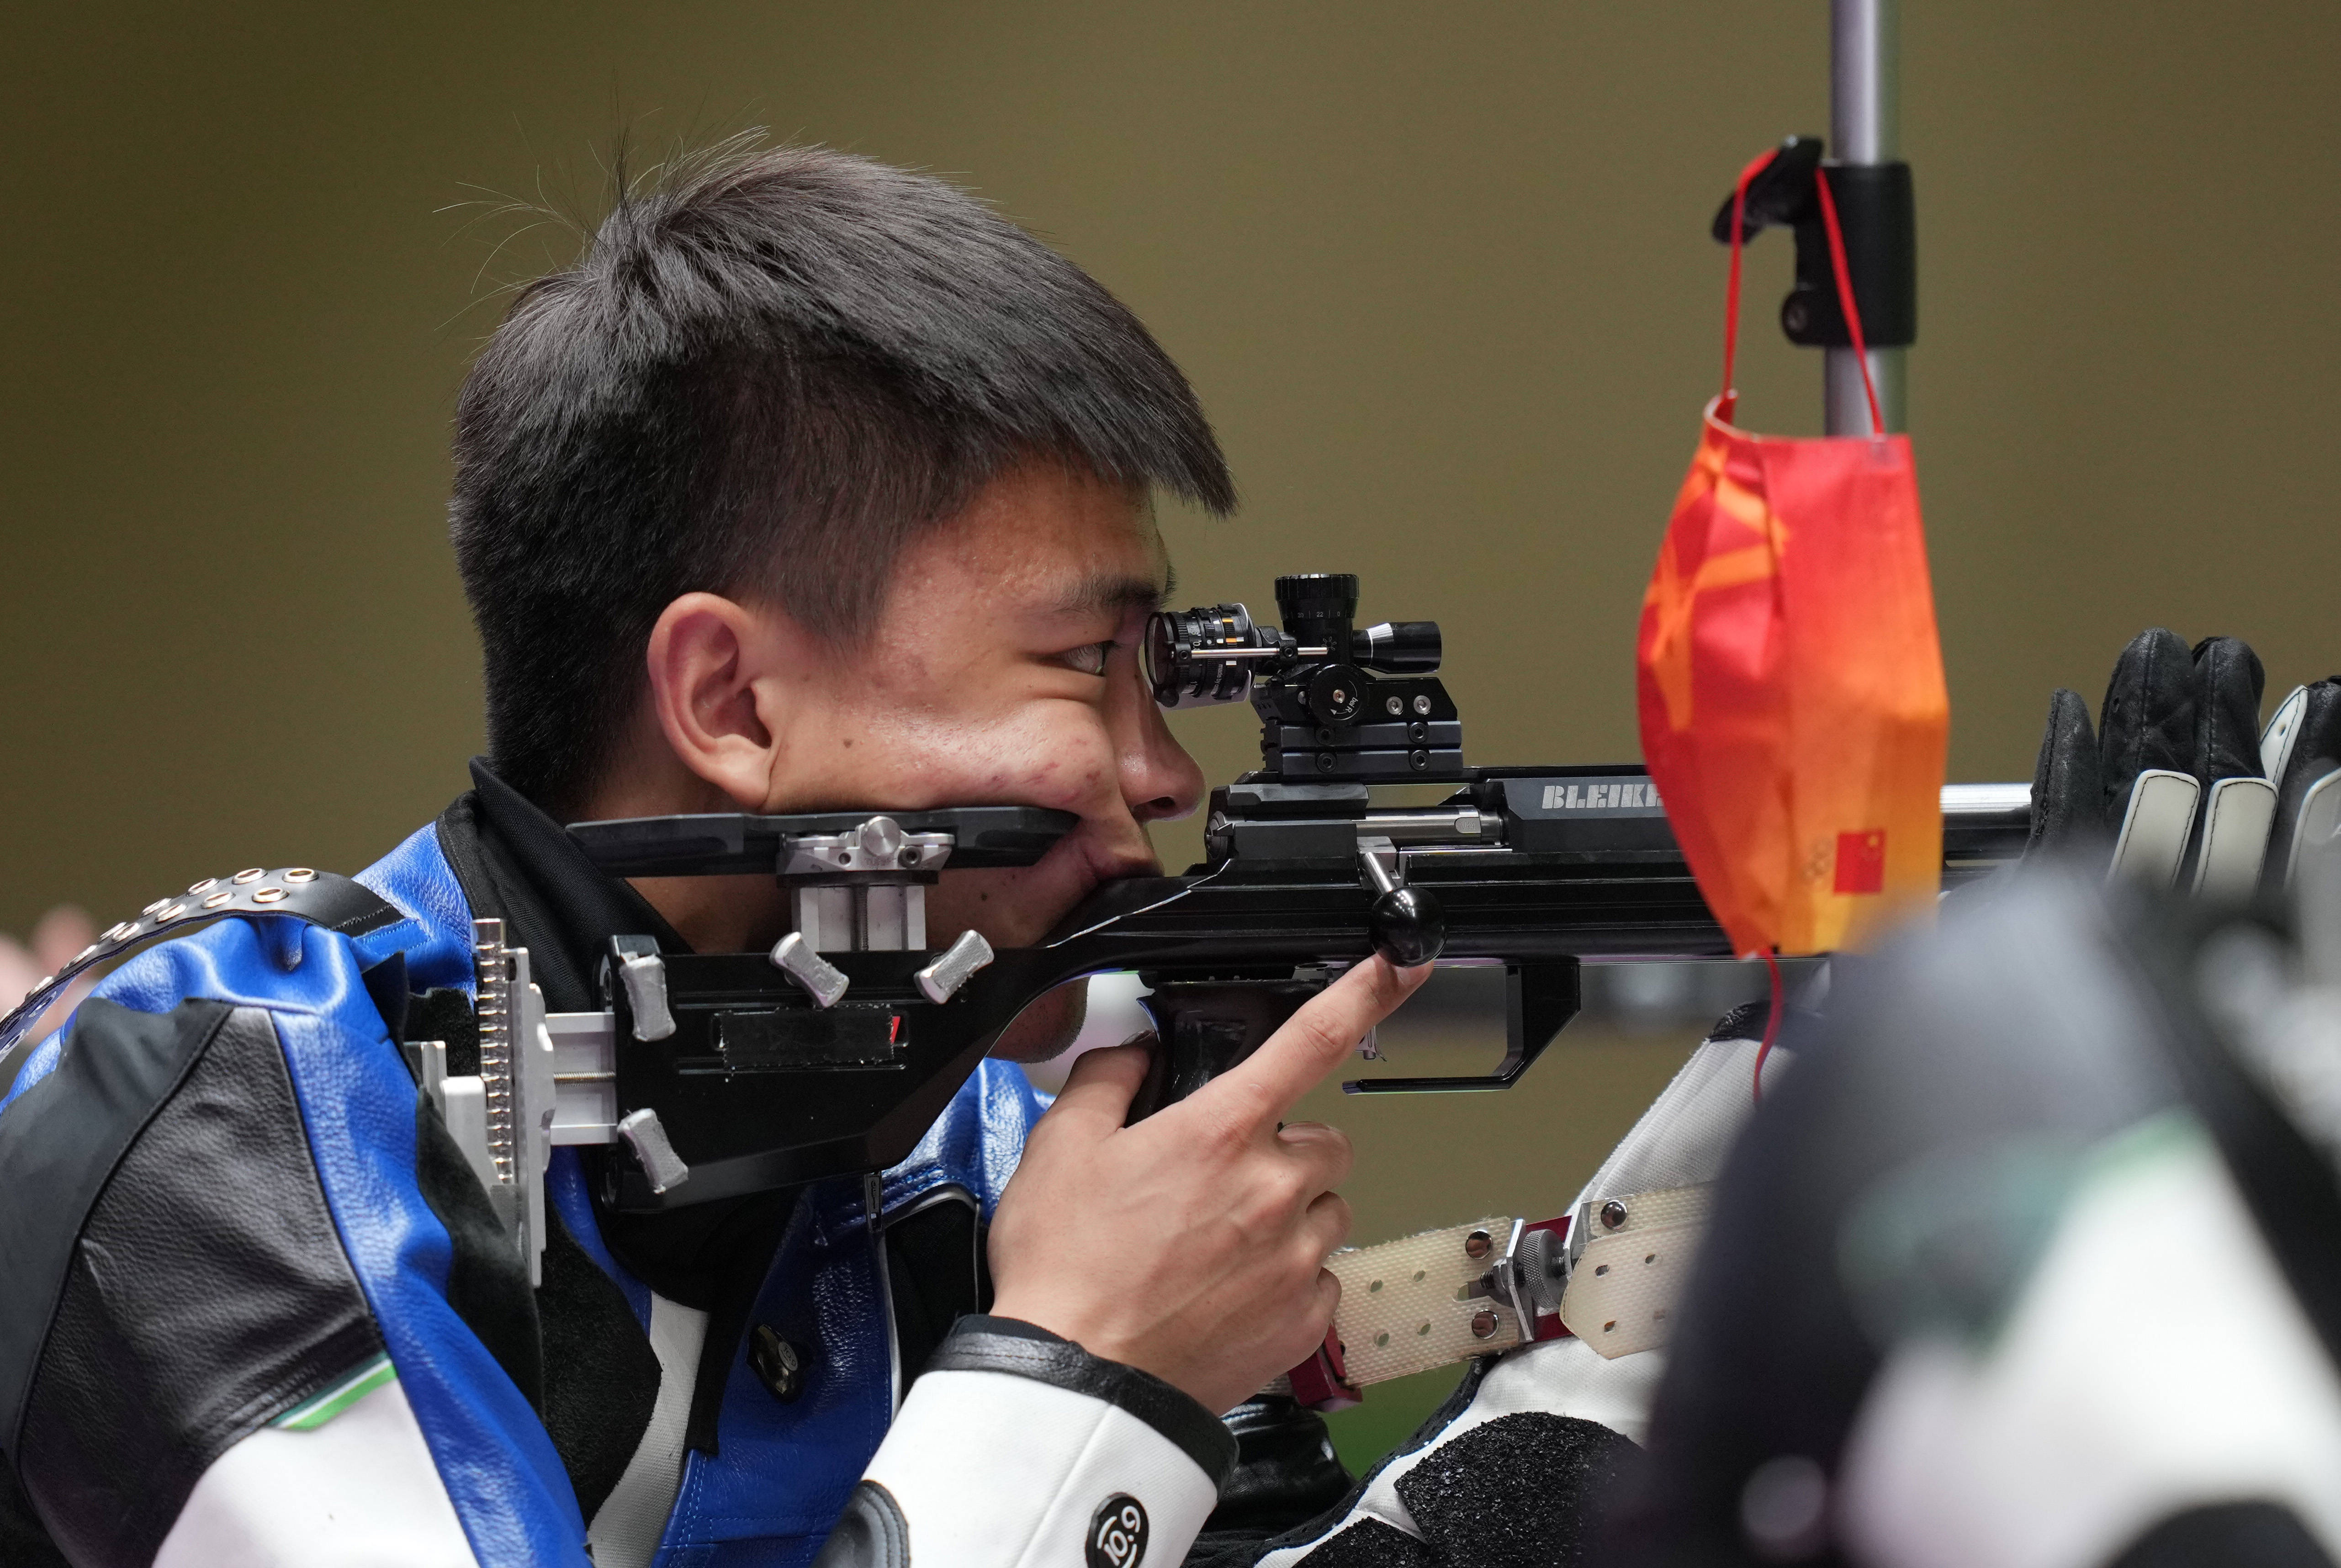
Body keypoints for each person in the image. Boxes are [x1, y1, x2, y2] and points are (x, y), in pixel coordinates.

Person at [0, 140, 1433, 1568]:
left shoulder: (955, 1142)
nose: (1164, 774)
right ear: (730, 704)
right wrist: (1086, 1373)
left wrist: (1578, 1410)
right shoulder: (213, 1121)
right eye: (1080, 665)